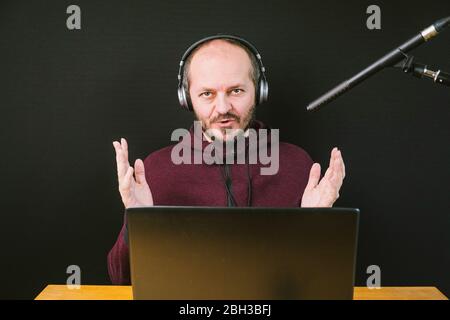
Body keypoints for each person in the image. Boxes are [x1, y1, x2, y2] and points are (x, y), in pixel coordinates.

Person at [108, 35, 346, 285]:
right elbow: (120, 281)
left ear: (259, 91)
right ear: (186, 98)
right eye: (207, 94)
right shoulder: (155, 170)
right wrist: (136, 222)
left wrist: (316, 224)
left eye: (236, 90)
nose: (222, 108)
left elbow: (317, 282)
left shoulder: (297, 165)